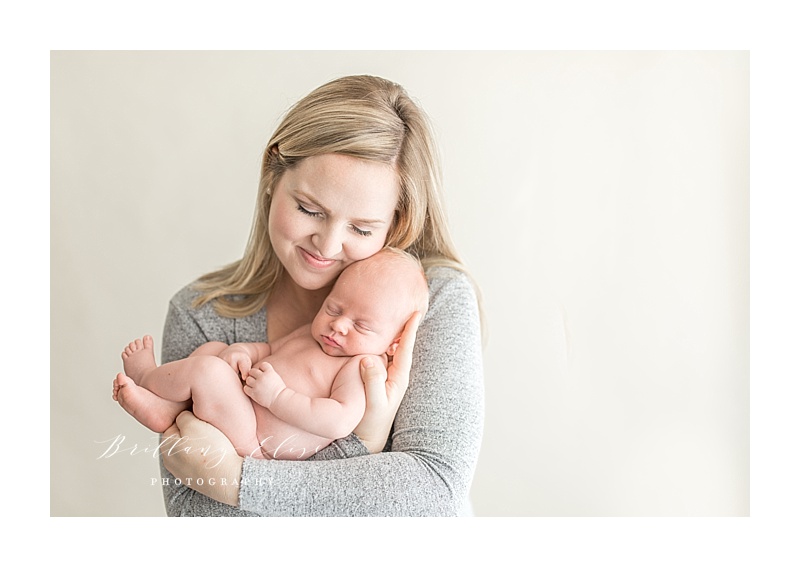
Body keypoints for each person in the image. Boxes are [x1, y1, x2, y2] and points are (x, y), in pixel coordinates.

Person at [156, 74, 484, 516]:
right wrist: (365, 450)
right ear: (273, 176)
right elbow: (200, 517)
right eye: (310, 210)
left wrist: (237, 478)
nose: (327, 246)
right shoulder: (203, 315)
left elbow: (435, 491)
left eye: (362, 228)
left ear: (396, 222)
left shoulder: (430, 301)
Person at [113, 248, 429, 461]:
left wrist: (277, 396)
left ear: (393, 342)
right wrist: (243, 351)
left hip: (256, 440)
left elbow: (338, 421)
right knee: (214, 352)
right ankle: (169, 408)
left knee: (208, 372)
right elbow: (271, 350)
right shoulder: (313, 333)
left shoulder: (362, 367)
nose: (339, 325)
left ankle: (146, 378)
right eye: (334, 307)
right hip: (245, 403)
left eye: (361, 325)